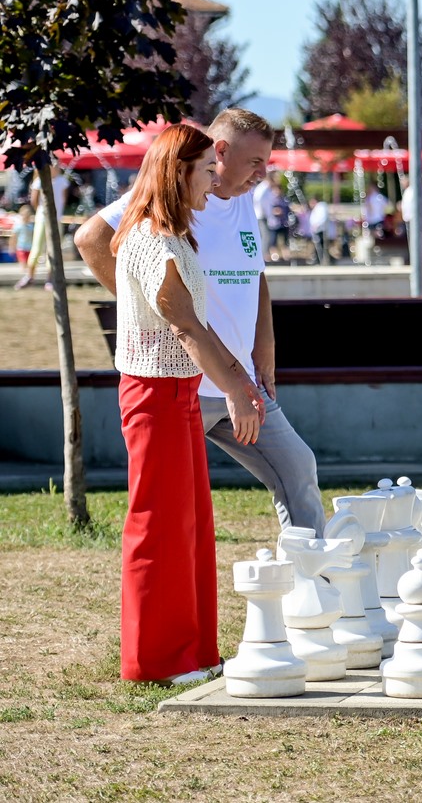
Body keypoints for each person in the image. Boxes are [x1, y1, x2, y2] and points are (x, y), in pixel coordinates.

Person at [77, 108, 327, 534]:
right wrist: (153, 306)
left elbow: (256, 276)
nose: (263, 173)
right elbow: (90, 239)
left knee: (297, 467)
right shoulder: (176, 196)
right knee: (177, 508)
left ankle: (309, 567)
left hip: (241, 383)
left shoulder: (244, 200)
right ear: (221, 151)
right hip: (188, 383)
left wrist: (265, 348)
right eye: (255, 162)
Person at [108, 124, 265, 685]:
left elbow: (195, 324)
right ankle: (155, 661)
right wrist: (236, 389)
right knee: (158, 526)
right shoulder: (154, 239)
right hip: (154, 395)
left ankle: (194, 653)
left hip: (178, 394)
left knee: (191, 526)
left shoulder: (174, 236)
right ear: (178, 173)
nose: (212, 183)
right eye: (204, 172)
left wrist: (237, 380)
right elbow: (185, 327)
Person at [14, 167, 68, 289]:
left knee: (54, 249)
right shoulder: (39, 181)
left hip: (56, 218)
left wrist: (58, 213)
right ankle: (30, 276)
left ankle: (50, 278)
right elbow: (34, 201)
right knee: (37, 247)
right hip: (42, 218)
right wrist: (43, 212)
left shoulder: (62, 181)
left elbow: (63, 199)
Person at [307, 195, 331, 265]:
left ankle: (320, 260)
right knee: (318, 245)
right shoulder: (318, 208)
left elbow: (322, 218)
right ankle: (319, 259)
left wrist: (317, 225)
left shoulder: (321, 207)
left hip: (321, 230)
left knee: (321, 245)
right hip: (317, 230)